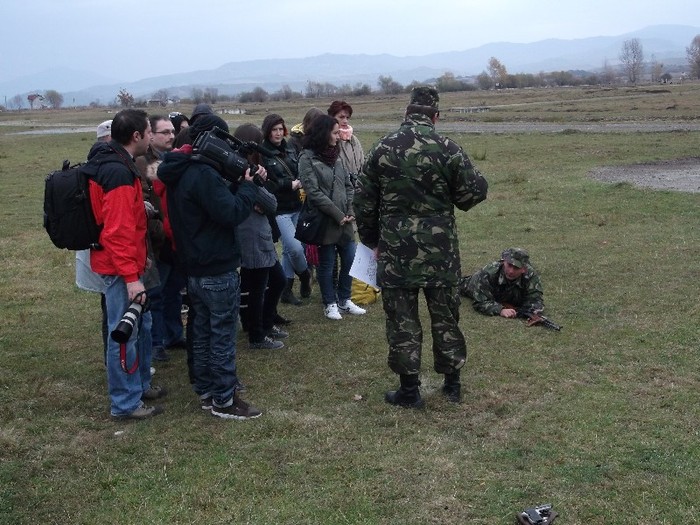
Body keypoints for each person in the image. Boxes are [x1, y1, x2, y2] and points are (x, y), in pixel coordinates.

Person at [355, 86, 488, 407]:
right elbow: (472, 194)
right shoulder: (448, 149)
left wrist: (373, 240)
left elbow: (362, 200)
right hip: (440, 254)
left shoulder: (382, 148)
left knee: (402, 320)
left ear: (406, 113)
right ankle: (452, 385)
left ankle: (409, 391)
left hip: (396, 254)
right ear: (436, 116)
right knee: (446, 317)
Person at [157, 115, 264, 420]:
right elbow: (229, 213)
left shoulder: (178, 169)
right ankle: (224, 399)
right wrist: (249, 186)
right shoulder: (202, 173)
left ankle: (206, 389)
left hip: (193, 265)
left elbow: (208, 209)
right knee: (221, 333)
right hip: (216, 266)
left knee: (202, 330)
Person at [86, 108, 166, 419]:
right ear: (136, 136)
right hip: (120, 269)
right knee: (124, 333)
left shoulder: (117, 162)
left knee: (141, 326)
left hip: (131, 263)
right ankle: (125, 403)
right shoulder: (117, 172)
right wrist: (132, 277)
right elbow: (117, 232)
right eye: (149, 131)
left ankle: (140, 384)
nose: (151, 136)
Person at [298, 114, 367, 320]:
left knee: (350, 258)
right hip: (324, 220)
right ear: (324, 133)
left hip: (345, 220)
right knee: (327, 265)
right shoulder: (307, 158)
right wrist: (338, 214)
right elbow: (314, 192)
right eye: (335, 133)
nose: (339, 137)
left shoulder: (336, 155)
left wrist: (351, 211)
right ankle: (330, 303)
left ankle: (345, 299)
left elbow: (348, 184)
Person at [135, 115, 186, 362]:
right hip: (157, 241)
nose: (170, 136)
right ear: (151, 135)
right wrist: (160, 232)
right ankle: (156, 343)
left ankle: (174, 334)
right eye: (164, 132)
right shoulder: (143, 163)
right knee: (155, 291)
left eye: (172, 131)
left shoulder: (174, 157)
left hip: (177, 237)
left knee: (174, 289)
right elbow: (146, 204)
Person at [233, 123, 288, 350]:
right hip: (254, 235)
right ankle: (258, 333)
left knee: (257, 283)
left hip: (250, 234)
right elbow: (271, 203)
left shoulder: (233, 169)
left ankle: (257, 324)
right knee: (262, 285)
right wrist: (260, 187)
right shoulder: (246, 171)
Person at [260, 114, 311, 306]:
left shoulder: (290, 148)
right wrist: (287, 184)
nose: (278, 133)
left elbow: (299, 169)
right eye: (274, 129)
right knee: (295, 249)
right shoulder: (262, 152)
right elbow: (266, 183)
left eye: (281, 129)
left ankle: (287, 291)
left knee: (291, 250)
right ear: (267, 131)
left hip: (297, 205)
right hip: (279, 209)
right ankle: (305, 276)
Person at [459, 247, 544, 318]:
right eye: (509, 265)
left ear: (524, 269)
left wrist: (528, 312)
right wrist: (500, 310)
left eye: (516, 268)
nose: (511, 271)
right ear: (503, 261)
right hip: (469, 285)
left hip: (501, 296)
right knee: (455, 285)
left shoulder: (530, 275)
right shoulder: (488, 273)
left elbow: (536, 300)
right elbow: (480, 302)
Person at [327, 101, 364, 187]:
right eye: (341, 117)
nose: (345, 121)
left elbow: (363, 164)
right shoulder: (327, 141)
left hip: (356, 188)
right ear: (331, 118)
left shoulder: (354, 140)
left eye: (347, 118)